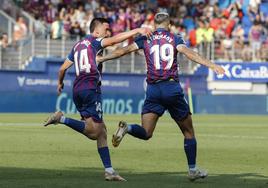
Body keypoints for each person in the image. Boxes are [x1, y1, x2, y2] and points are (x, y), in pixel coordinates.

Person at [97, 12, 225, 181]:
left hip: (153, 90)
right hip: (171, 88)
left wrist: (103, 58)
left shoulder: (146, 38)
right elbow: (190, 54)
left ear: (155, 25)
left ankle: (127, 128)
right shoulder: (174, 38)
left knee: (146, 132)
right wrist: (212, 65)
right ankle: (193, 170)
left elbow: (123, 51)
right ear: (169, 24)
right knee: (188, 132)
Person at [43, 17, 151, 181]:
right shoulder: (95, 42)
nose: (108, 33)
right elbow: (115, 40)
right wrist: (137, 30)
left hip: (77, 89)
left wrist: (59, 83)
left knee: (102, 131)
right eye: (106, 29)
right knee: (94, 132)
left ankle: (109, 170)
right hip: (90, 88)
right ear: (96, 30)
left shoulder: (78, 46)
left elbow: (62, 68)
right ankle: (61, 118)